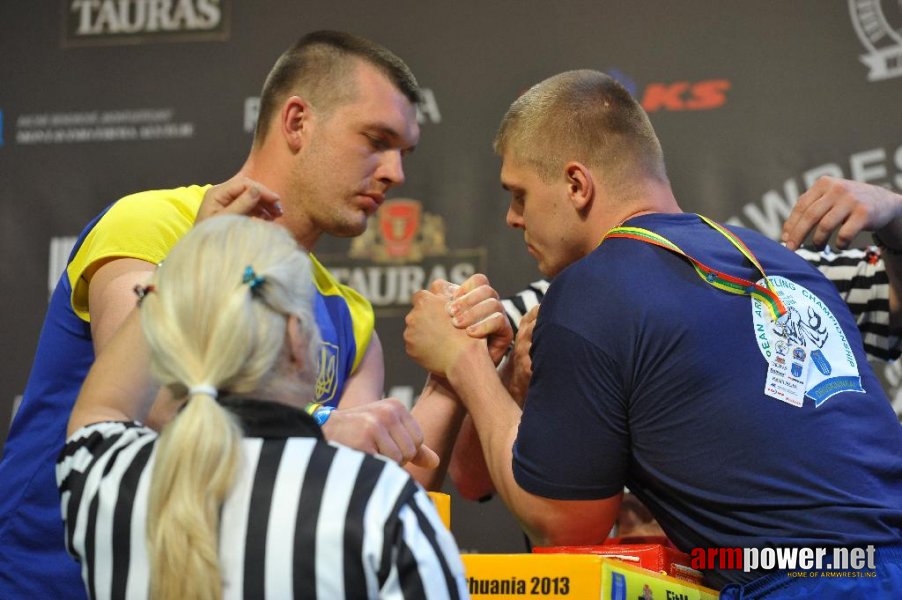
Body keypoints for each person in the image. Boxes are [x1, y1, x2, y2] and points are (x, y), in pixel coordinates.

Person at [403, 70, 902, 595]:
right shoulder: (779, 262)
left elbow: (563, 522)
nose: (511, 217)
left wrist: (463, 360)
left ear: (576, 185)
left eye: (520, 194)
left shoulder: (591, 290)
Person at [0, 30, 441, 599]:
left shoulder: (348, 314)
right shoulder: (153, 224)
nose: (395, 173)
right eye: (376, 140)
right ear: (298, 122)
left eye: (404, 153)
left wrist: (453, 379)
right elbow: (158, 401)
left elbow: (367, 487)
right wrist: (318, 427)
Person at [57, 215, 468, 600]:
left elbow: (98, 411)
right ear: (295, 338)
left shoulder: (108, 478)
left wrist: (178, 270)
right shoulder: (379, 500)